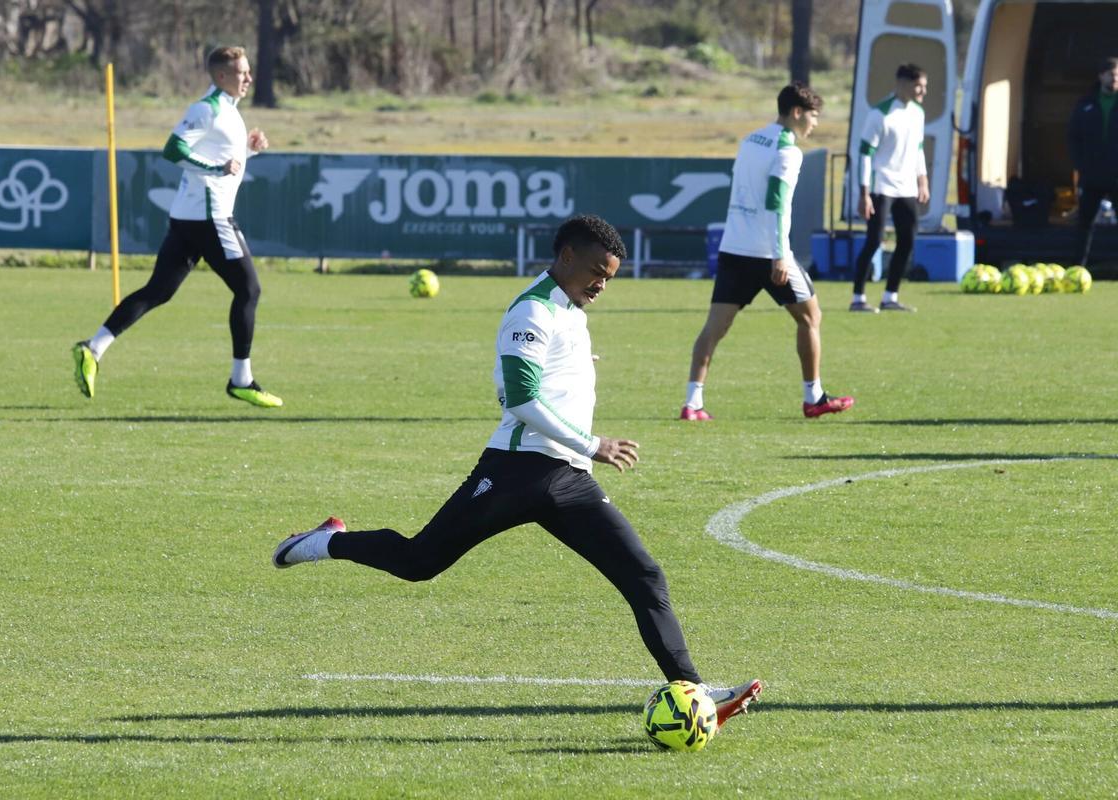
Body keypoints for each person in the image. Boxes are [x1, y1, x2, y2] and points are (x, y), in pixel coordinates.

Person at [274, 215, 762, 727]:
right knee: (419, 562)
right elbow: (520, 397)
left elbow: (523, 379)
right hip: (516, 470)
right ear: (567, 256)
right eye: (597, 271)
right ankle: (325, 542)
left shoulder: (570, 308)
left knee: (643, 575)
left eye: (610, 277)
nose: (602, 284)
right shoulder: (532, 309)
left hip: (569, 480)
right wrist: (593, 444)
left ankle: (693, 689)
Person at [72, 46, 282, 408]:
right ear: (220, 76)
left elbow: (218, 157)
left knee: (158, 291)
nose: (249, 78)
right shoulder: (207, 109)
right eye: (242, 72)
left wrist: (248, 151)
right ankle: (241, 379)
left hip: (190, 217)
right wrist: (217, 170)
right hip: (210, 217)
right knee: (249, 290)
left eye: (248, 72)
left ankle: (93, 348)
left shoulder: (228, 110)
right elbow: (172, 150)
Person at [680, 83, 854, 422]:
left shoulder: (750, 140)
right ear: (797, 112)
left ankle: (692, 403)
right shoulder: (788, 151)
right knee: (811, 317)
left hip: (734, 247)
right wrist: (779, 255)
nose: (815, 125)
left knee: (713, 328)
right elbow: (777, 204)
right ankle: (814, 397)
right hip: (768, 251)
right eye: (813, 117)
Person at [850, 63, 929, 313]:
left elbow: (918, 149)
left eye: (925, 86)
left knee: (907, 240)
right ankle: (858, 298)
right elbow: (864, 154)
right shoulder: (880, 114)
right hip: (881, 185)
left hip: (906, 187)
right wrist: (864, 193)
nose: (923, 92)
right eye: (919, 86)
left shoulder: (918, 113)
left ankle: (890, 296)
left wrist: (922, 180)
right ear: (902, 84)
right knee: (874, 241)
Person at [1069, 56, 1118, 267]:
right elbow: (1073, 137)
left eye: (1117, 74)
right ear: (1101, 76)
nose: (1114, 78)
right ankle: (1079, 267)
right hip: (1092, 176)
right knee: (1084, 224)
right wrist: (1081, 165)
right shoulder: (1086, 104)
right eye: (1111, 74)